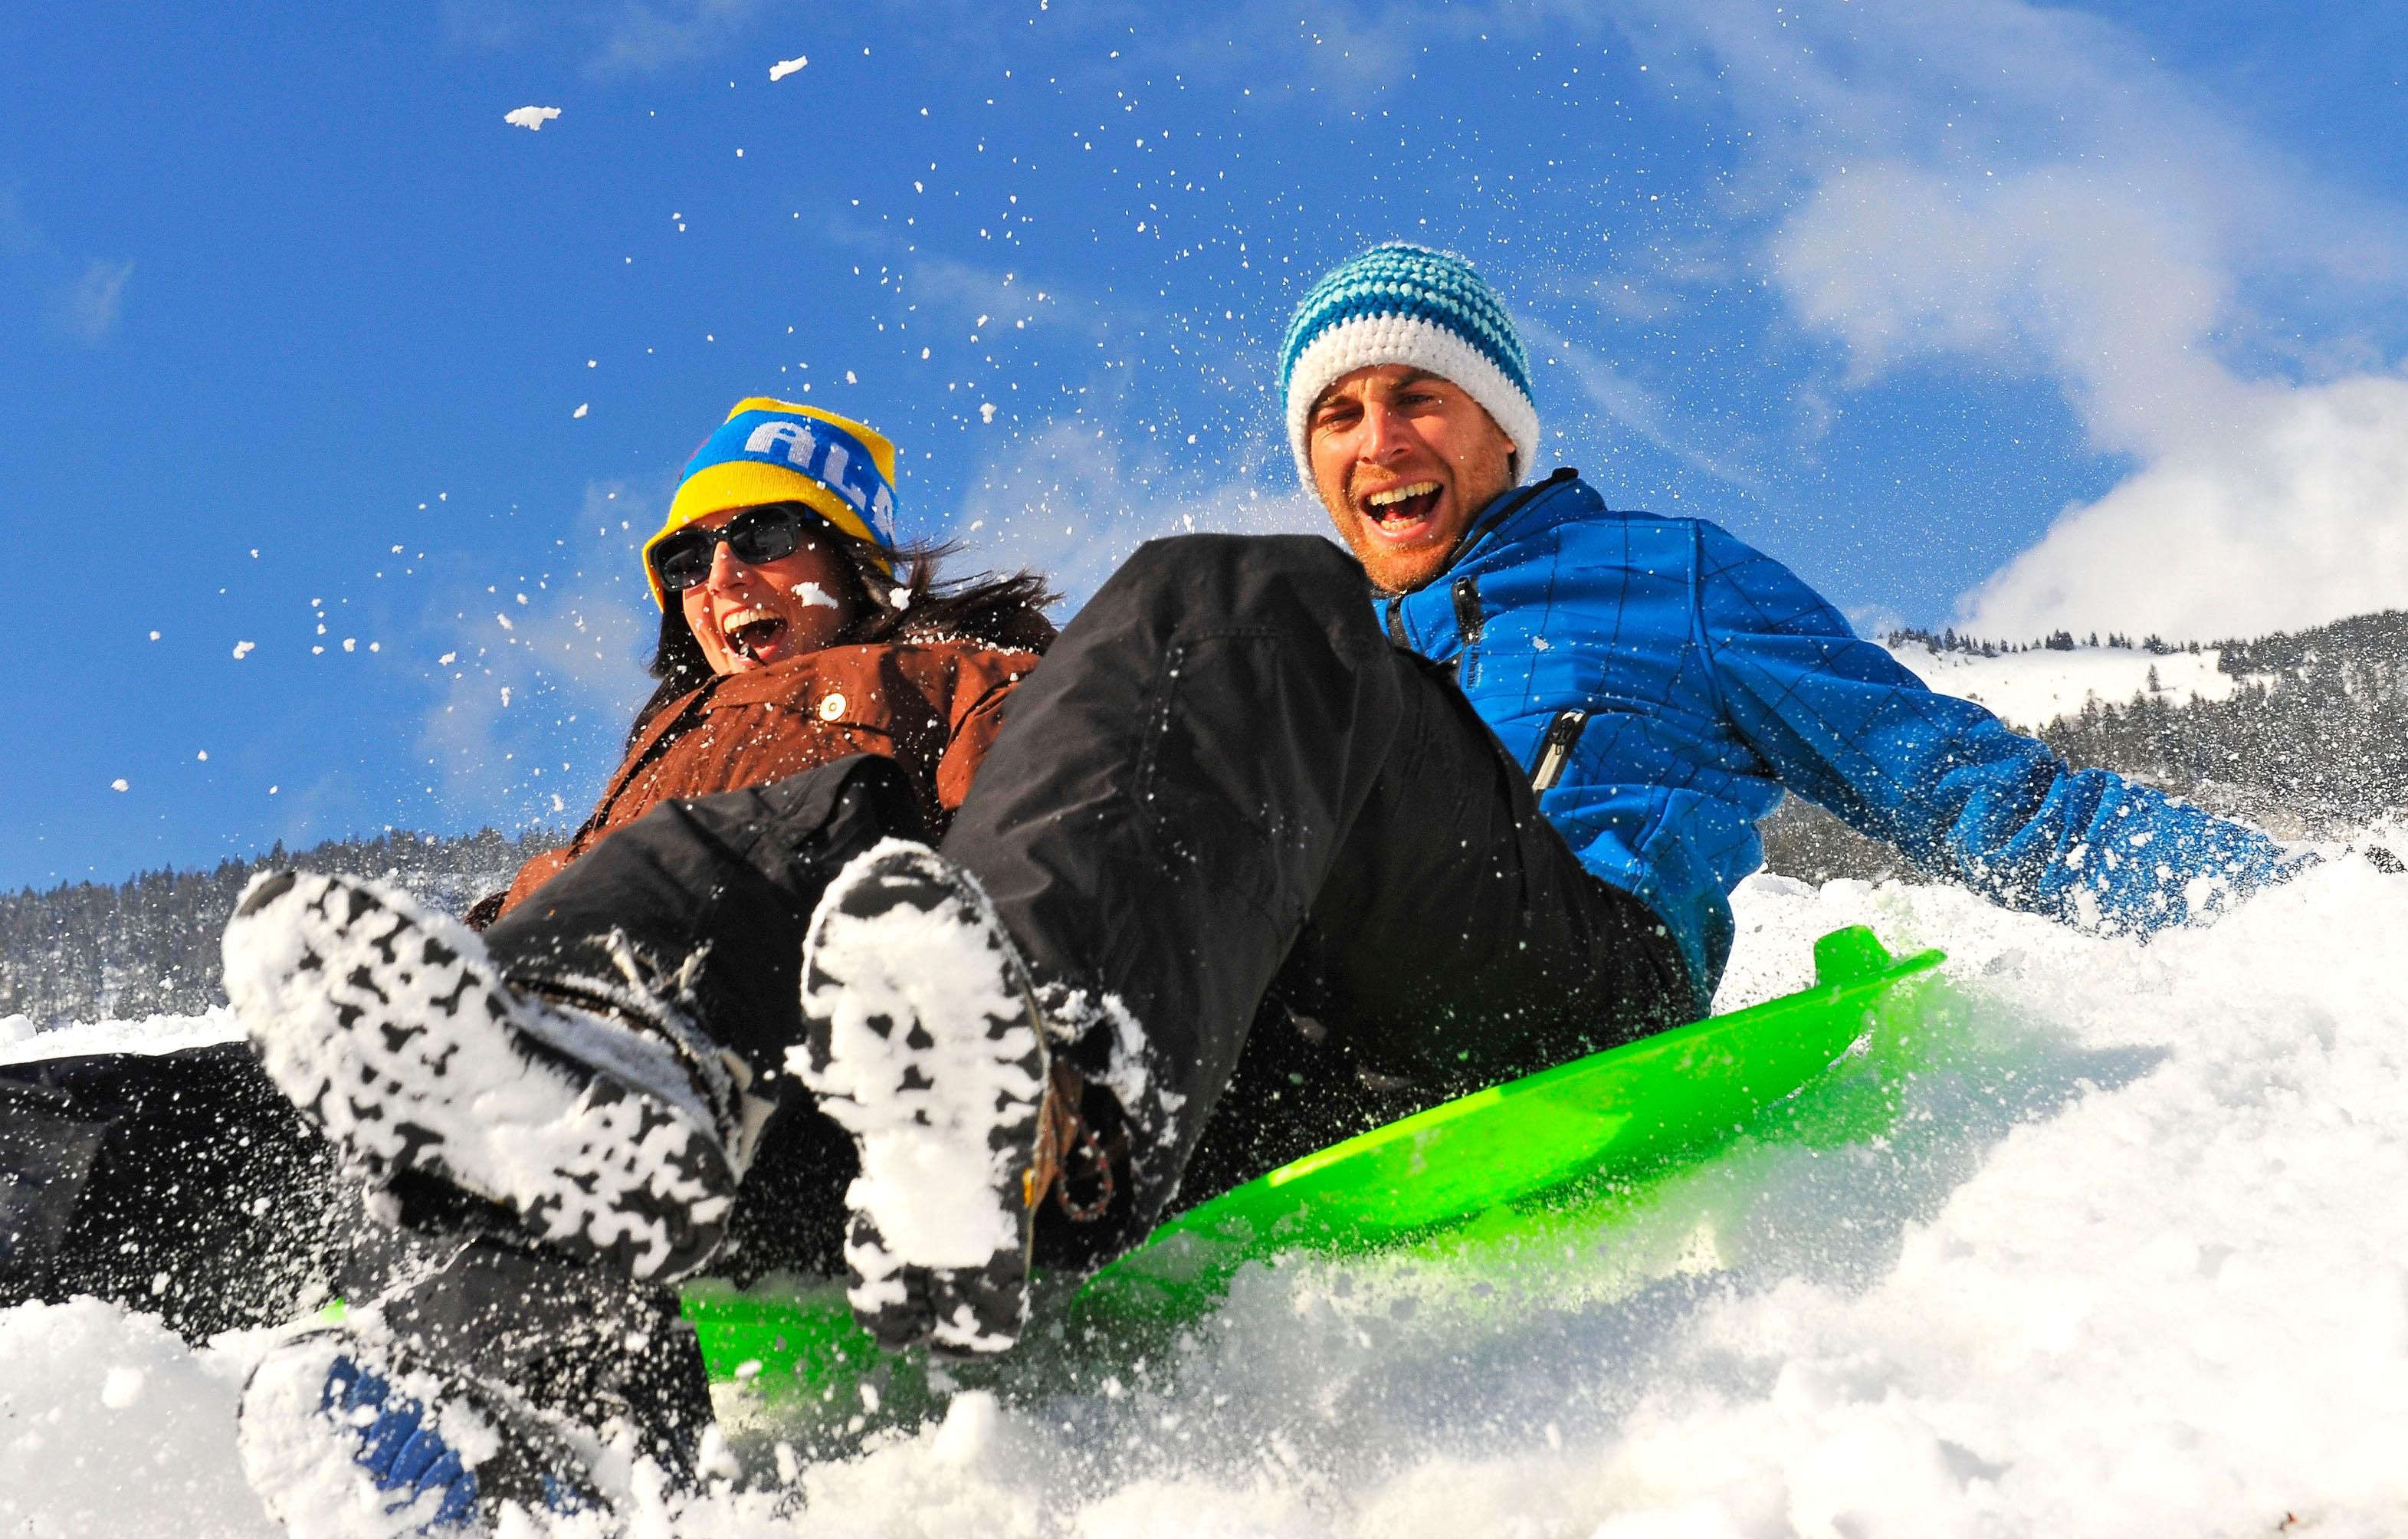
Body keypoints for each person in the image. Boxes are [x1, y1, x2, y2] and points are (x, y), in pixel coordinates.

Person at [224, 254, 2307, 1530]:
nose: (1374, 437)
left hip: (1552, 978)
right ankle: (565, 1314)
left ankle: (1028, 1117)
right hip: (1277, 1064)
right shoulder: (1331, 652)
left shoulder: (1651, 580)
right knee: (802, 844)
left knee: (1215, 603)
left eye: (1416, 395)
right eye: (1335, 411)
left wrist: (2307, 913)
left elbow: (1967, 786)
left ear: (1501, 426)